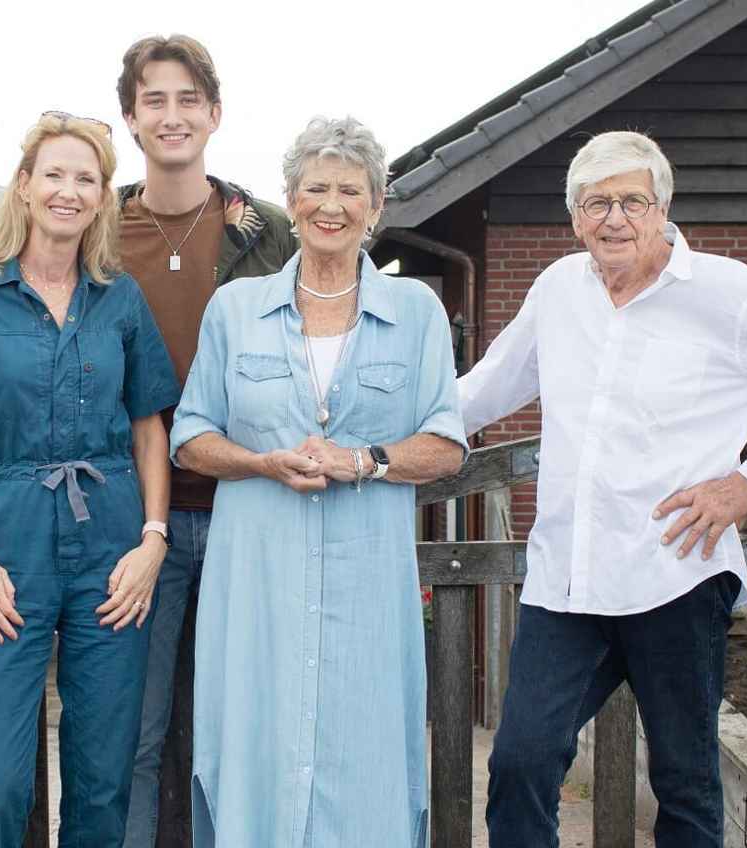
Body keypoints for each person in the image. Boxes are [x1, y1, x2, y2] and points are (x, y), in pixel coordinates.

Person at [469, 130, 747, 848]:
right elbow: (485, 389)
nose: (614, 218)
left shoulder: (729, 293)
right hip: (568, 581)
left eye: (632, 200)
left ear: (662, 208)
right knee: (521, 761)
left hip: (677, 576)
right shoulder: (559, 289)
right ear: (575, 217)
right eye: (597, 203)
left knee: (686, 782)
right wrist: (372, 433)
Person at [168, 116, 467, 846]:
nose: (331, 204)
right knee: (254, 745)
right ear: (291, 199)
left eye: (350, 190)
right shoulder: (236, 309)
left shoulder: (415, 311)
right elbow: (190, 437)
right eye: (315, 188)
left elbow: (447, 445)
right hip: (257, 579)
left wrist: (365, 460)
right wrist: (261, 462)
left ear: (376, 207)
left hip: (368, 582)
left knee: (365, 753)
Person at [0, 112, 182, 846]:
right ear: (24, 186)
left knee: (103, 777)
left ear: (101, 199)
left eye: (85, 179)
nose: (68, 190)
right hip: (5, 542)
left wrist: (153, 540)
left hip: (113, 546)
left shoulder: (118, 298)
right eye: (53, 175)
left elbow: (149, 425)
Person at [108, 33, 296, 847]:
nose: (173, 115)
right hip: (134, 522)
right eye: (155, 99)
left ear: (215, 114)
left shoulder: (267, 232)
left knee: (243, 731)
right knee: (136, 734)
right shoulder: (99, 229)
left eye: (189, 99)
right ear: (131, 117)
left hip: (251, 510)